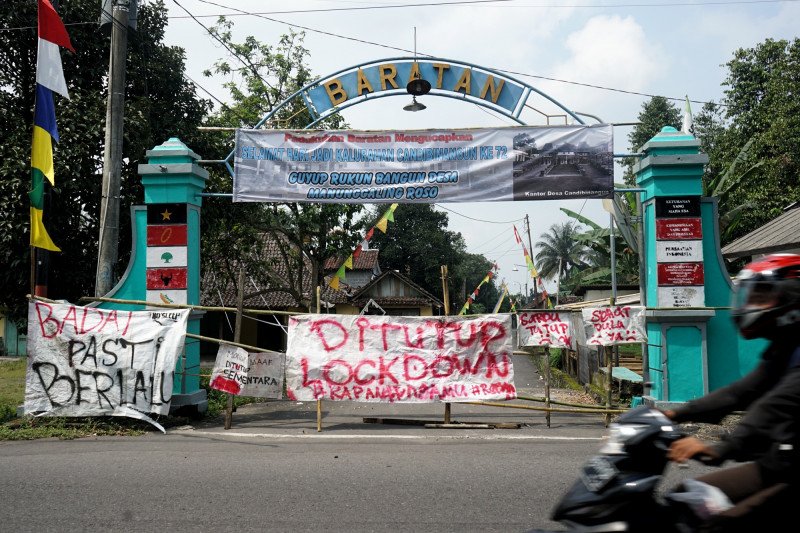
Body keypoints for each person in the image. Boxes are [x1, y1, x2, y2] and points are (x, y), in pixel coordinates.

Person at [661, 253, 800, 531]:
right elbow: (740, 392)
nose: (750, 304)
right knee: (686, 499)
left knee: (718, 525)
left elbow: (775, 406)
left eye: (762, 296)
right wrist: (672, 414)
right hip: (777, 464)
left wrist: (723, 446)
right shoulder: (783, 348)